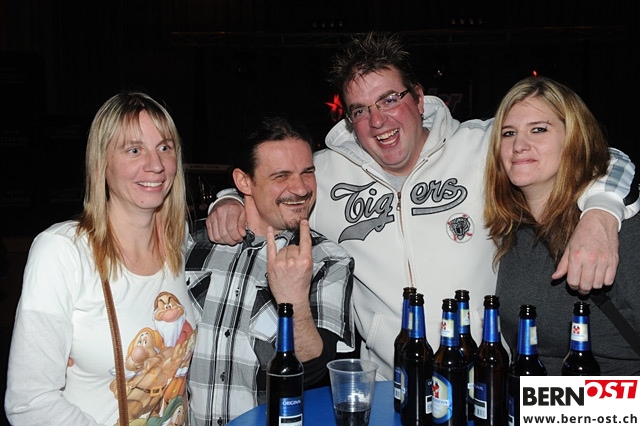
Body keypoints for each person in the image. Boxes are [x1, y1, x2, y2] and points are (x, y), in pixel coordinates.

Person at [204, 33, 637, 380]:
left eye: (389, 99)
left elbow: (600, 156)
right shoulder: (326, 173)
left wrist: (600, 213)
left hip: (486, 378)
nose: (378, 121)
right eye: (360, 110)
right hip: (388, 386)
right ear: (348, 121)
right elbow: (274, 187)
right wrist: (230, 201)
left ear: (417, 97)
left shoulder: (482, 146)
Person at [4, 92, 197, 425]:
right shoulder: (62, 252)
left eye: (165, 147)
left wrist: (229, 200)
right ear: (101, 161)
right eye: (134, 150)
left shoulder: (180, 243)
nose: (155, 164)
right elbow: (29, 403)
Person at [185, 115, 355, 425]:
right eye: (281, 176)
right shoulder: (192, 243)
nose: (300, 188)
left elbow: (314, 372)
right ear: (243, 182)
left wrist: (294, 301)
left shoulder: (328, 259)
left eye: (307, 172)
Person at [485, 76, 640, 375]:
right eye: (508, 133)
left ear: (573, 140)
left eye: (539, 129)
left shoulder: (615, 232)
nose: (519, 145)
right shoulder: (511, 232)